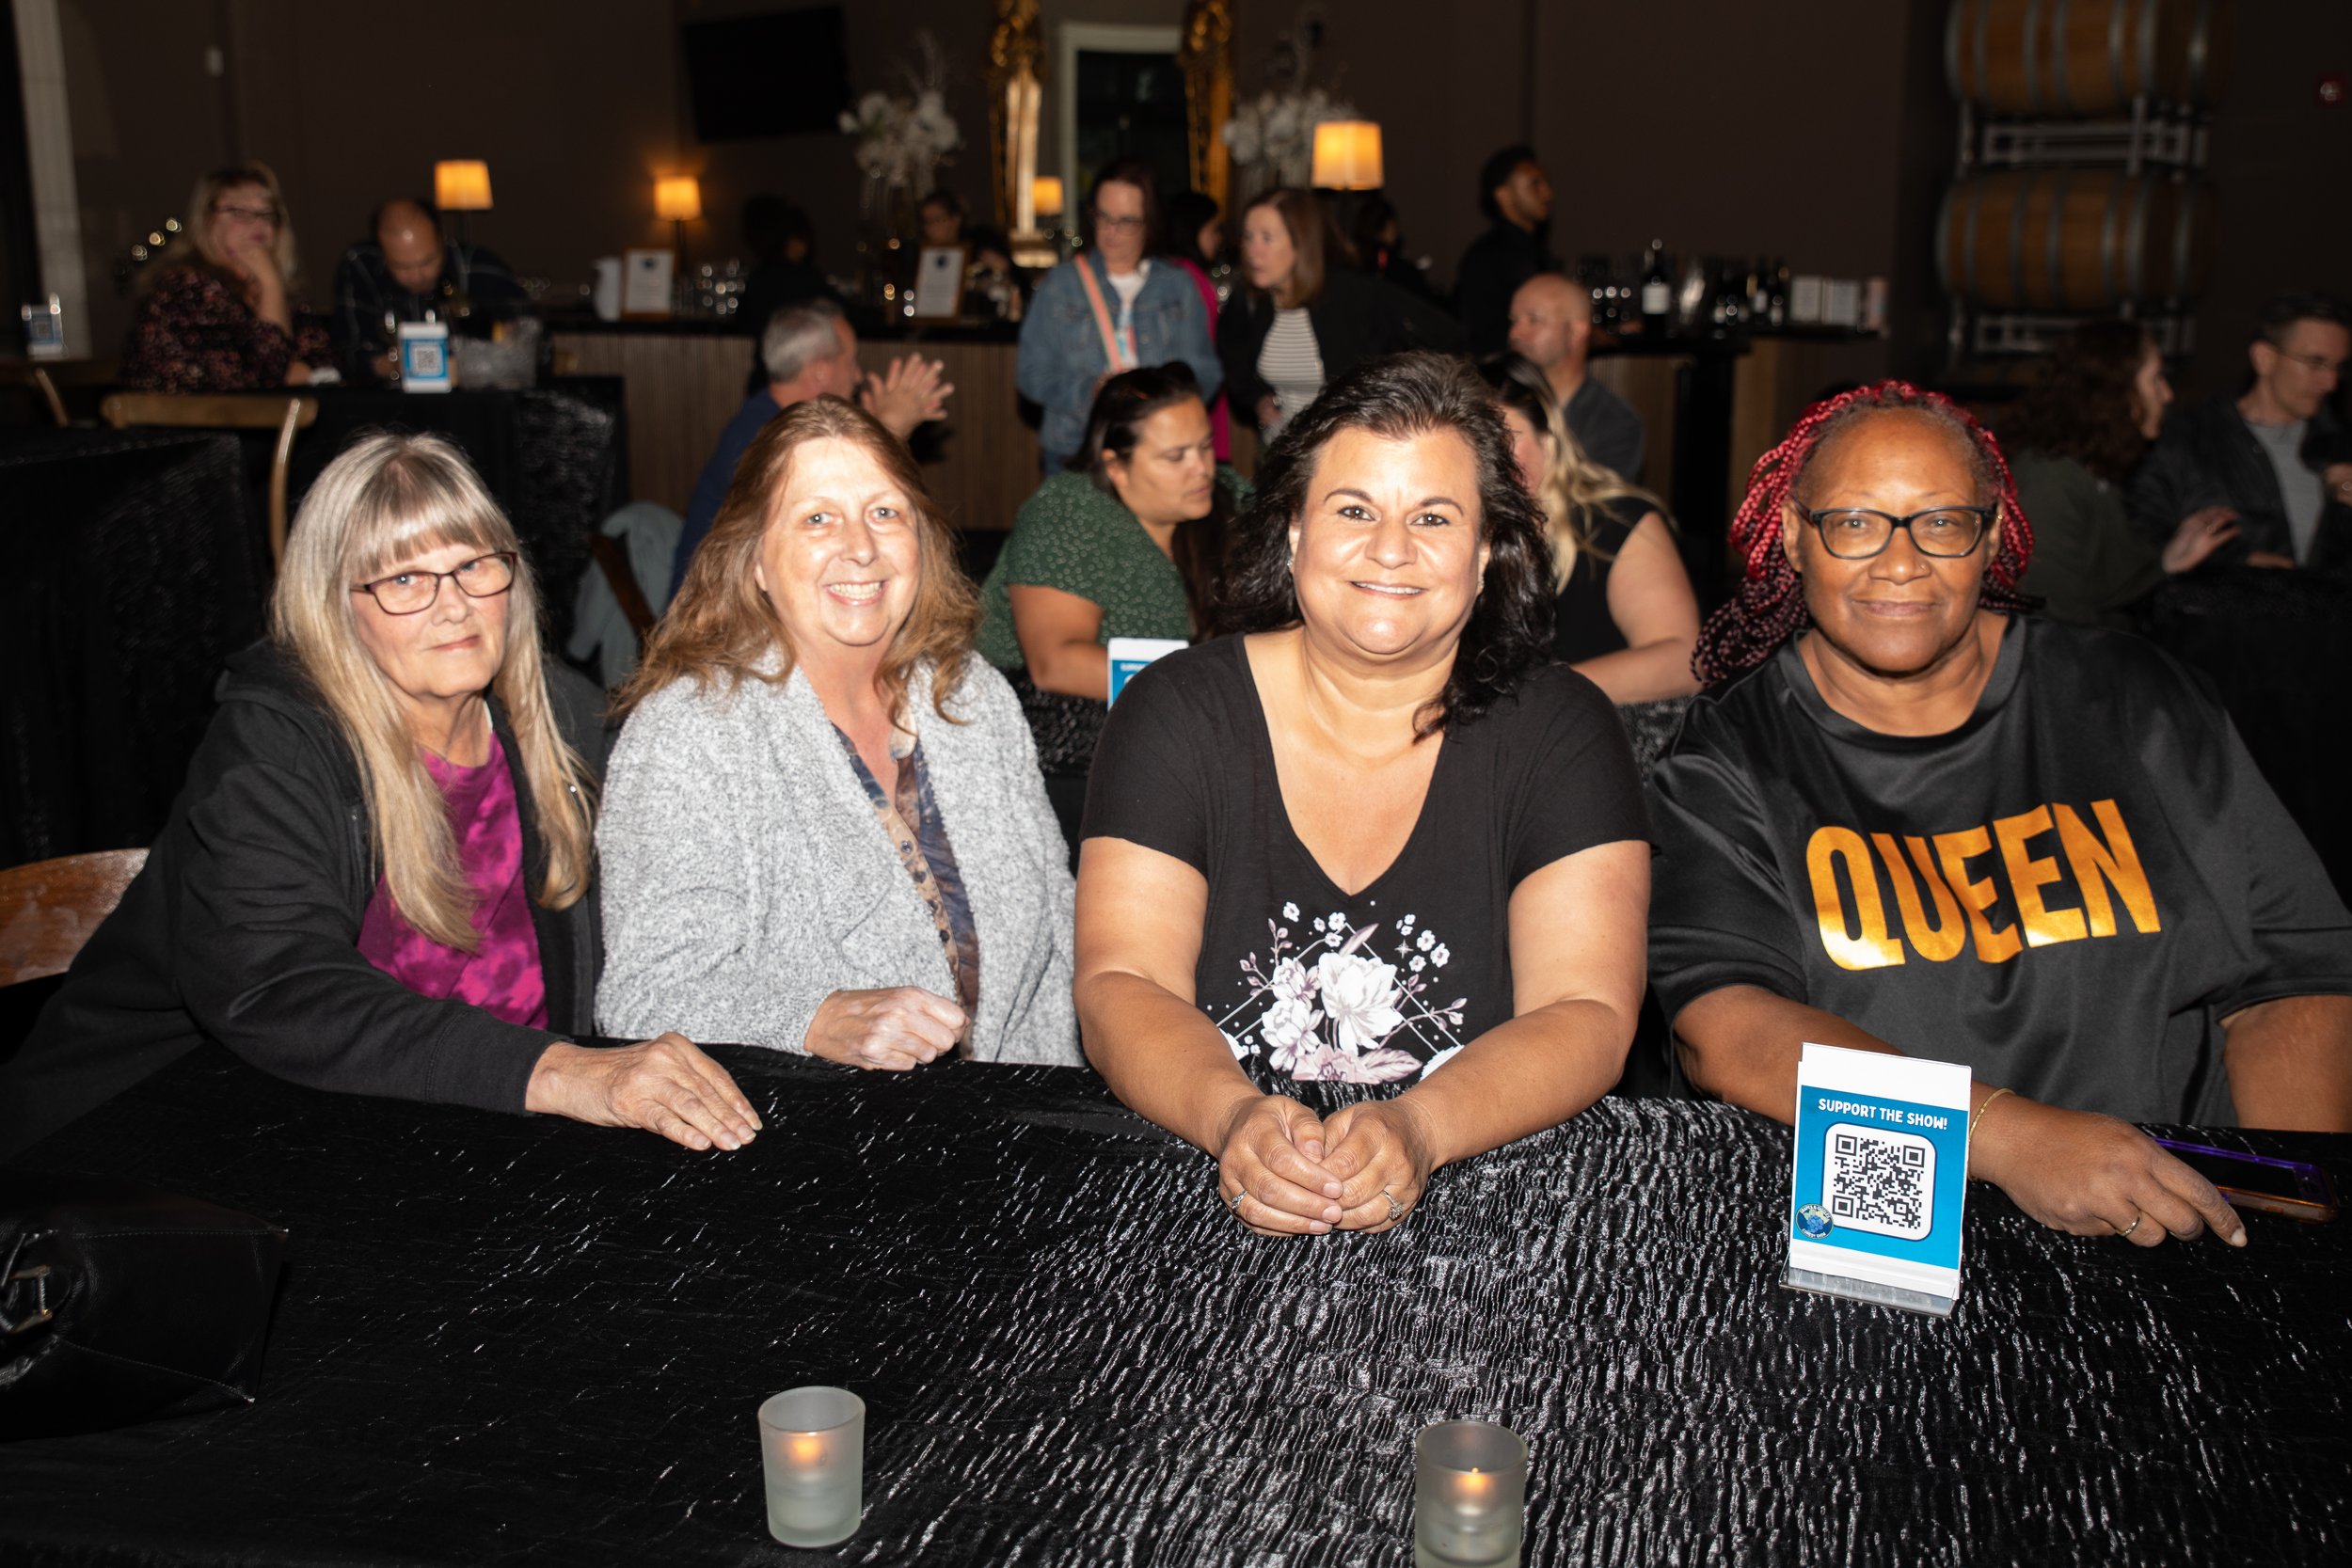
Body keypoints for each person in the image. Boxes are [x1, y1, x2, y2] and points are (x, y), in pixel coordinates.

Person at [1647, 382, 2352, 1250]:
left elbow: (2296, 976)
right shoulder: (1728, 757)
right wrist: (2008, 1138)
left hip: (2172, 1225)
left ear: (1993, 536)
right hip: (1896, 1246)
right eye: (1856, 522)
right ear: (1794, 534)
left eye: (1941, 521)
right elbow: (1733, 1032)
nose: (1900, 562)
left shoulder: (2133, 699)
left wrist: (2294, 1234)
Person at [0, 435, 760, 1161]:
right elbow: (276, 985)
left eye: (474, 566)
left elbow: (673, 889)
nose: (454, 605)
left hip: (465, 1146)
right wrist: (558, 1070)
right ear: (337, 608)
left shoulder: (558, 719)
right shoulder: (278, 741)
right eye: (404, 580)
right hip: (161, 1143)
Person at [1075, 353, 1652, 1236]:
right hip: (1196, 1184)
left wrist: (1420, 1127)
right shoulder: (1176, 711)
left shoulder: (1563, 731)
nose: (1391, 548)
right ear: (1296, 534)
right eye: (1353, 510)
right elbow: (1123, 977)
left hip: (1486, 1209)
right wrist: (1232, 1115)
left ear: (1489, 548)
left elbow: (1588, 1012)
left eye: (1434, 516)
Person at [598, 397, 1080, 1069]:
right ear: (757, 560)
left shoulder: (970, 695)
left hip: (1015, 1129)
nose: (860, 546)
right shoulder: (689, 734)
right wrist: (812, 1018)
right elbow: (643, 996)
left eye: (885, 512)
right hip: (816, 1150)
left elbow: (1063, 928)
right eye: (818, 518)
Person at [976, 363, 1244, 797]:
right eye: (1176, 457)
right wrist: (1213, 690)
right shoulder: (1069, 512)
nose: (1202, 470)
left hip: (1172, 747)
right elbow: (1055, 663)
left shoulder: (1230, 499)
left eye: (1206, 447)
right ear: (1116, 466)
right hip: (1051, 764)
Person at [672, 297, 951, 595]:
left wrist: (869, 431)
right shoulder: (760, 438)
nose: (858, 376)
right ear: (820, 371)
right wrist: (888, 431)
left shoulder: (766, 418)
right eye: (851, 362)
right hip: (718, 624)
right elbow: (835, 515)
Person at [1480, 354, 1697, 701]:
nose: (1489, 462)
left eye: (1504, 441)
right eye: (1473, 445)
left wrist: (1533, 699)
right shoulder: (1443, 535)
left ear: (1547, 440)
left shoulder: (1618, 523)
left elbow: (1683, 660)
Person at [2001, 320, 2241, 627]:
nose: (2167, 395)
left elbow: (2100, 584)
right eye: (2156, 379)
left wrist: (2168, 560)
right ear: (2116, 391)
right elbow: (2051, 621)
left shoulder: (2091, 464)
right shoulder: (2051, 479)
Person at [1016, 158, 1222, 475]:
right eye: (1103, 217)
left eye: (1126, 221)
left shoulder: (1177, 286)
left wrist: (1157, 398)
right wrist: (1090, 391)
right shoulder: (1062, 285)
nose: (1110, 232)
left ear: (1149, 223)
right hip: (1076, 449)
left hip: (1156, 452)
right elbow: (1031, 373)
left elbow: (1205, 373)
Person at [2129, 293, 2352, 574]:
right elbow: (2139, 544)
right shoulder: (2187, 440)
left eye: (2339, 367)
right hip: (2223, 614)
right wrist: (2236, 565)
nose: (2330, 383)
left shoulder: (2340, 444)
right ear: (2264, 358)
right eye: (2315, 363)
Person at [1218, 187, 1461, 443]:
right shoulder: (1249, 300)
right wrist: (1257, 398)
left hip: (1348, 451)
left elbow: (1444, 335)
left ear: (1302, 243)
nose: (1252, 251)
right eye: (1248, 236)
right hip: (1282, 453)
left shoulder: (1351, 294)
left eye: (1267, 238)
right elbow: (1232, 355)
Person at [120, 162, 333, 393]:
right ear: (207, 220)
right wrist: (271, 285)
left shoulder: (287, 293)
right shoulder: (183, 289)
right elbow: (263, 382)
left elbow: (326, 362)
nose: (257, 223)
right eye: (239, 212)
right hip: (188, 425)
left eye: (266, 213)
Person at [329, 197, 529, 383]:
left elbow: (531, 344)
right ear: (382, 253)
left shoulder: (481, 268)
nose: (417, 276)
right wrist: (389, 365)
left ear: (442, 239)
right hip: (391, 409)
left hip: (475, 404)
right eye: (401, 266)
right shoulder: (362, 267)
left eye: (427, 261)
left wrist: (492, 354)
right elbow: (347, 353)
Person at [1507, 272, 1645, 483]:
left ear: (1577, 331)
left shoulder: (1614, 424)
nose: (1515, 333)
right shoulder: (1498, 401)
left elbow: (1598, 509)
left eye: (1534, 320)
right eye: (1514, 321)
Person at [1453, 145, 1556, 356]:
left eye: (1545, 183)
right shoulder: (1491, 256)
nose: (1548, 193)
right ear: (1504, 195)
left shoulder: (1530, 250)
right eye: (1535, 184)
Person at [737, 197, 837, 391]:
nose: (805, 247)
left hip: (764, 383)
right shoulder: (806, 277)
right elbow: (844, 314)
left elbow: (742, 322)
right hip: (800, 384)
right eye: (802, 239)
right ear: (788, 239)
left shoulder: (758, 277)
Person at [1165, 188, 1232, 461]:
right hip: (1200, 392)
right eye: (1213, 229)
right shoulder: (1189, 278)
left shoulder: (1170, 272)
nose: (1217, 238)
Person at [1349, 193, 1440, 302]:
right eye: (1393, 225)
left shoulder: (1352, 264)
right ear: (1388, 225)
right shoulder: (1394, 268)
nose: (1396, 231)